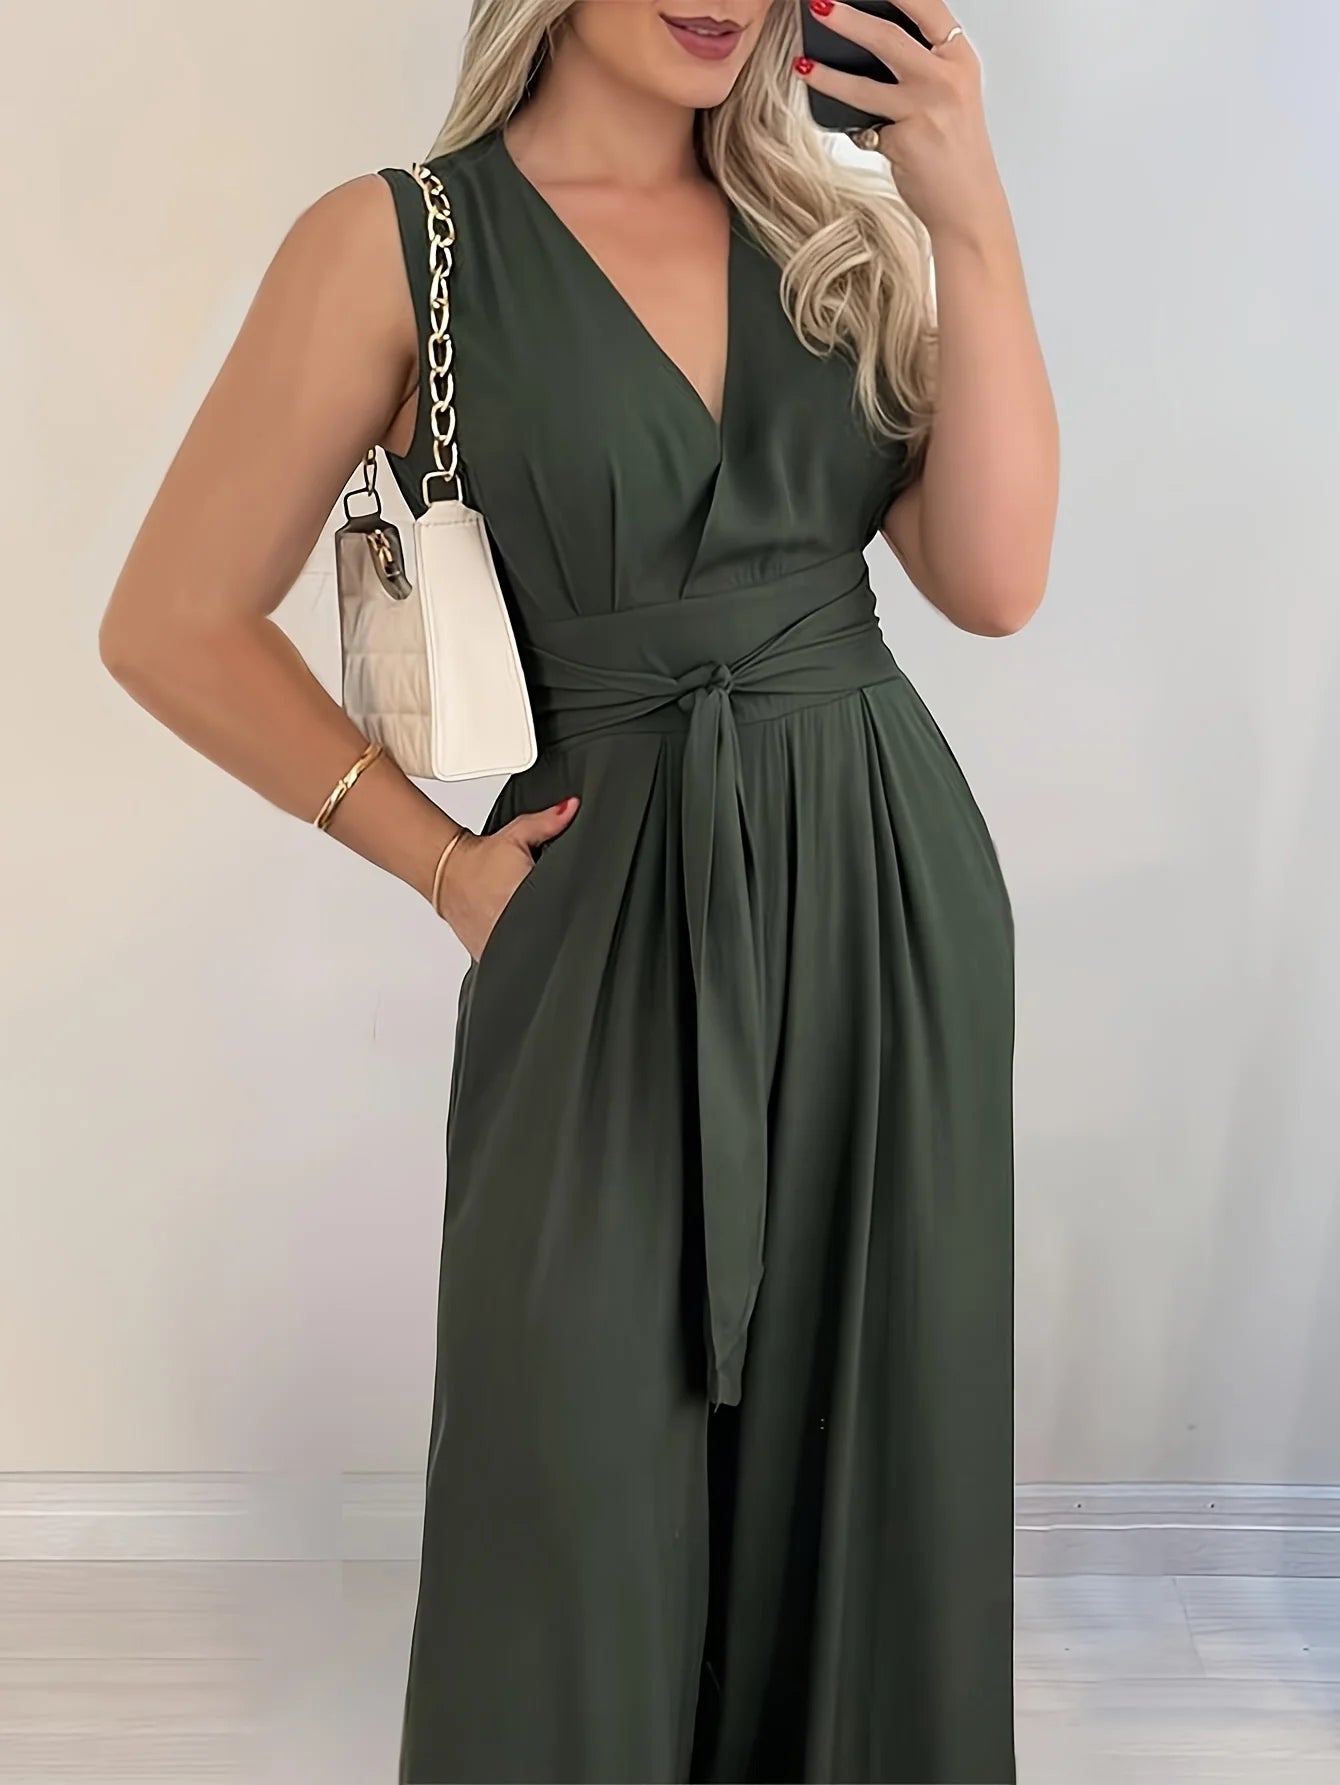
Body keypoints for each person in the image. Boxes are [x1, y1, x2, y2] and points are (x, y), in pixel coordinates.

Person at [99, 0, 1057, 1778]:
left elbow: (993, 581)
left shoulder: (832, 235)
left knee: (869, 1477)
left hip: (885, 907)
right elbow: (170, 619)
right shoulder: (400, 246)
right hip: (600, 928)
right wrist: (440, 865)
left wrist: (967, 208)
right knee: (568, 1502)